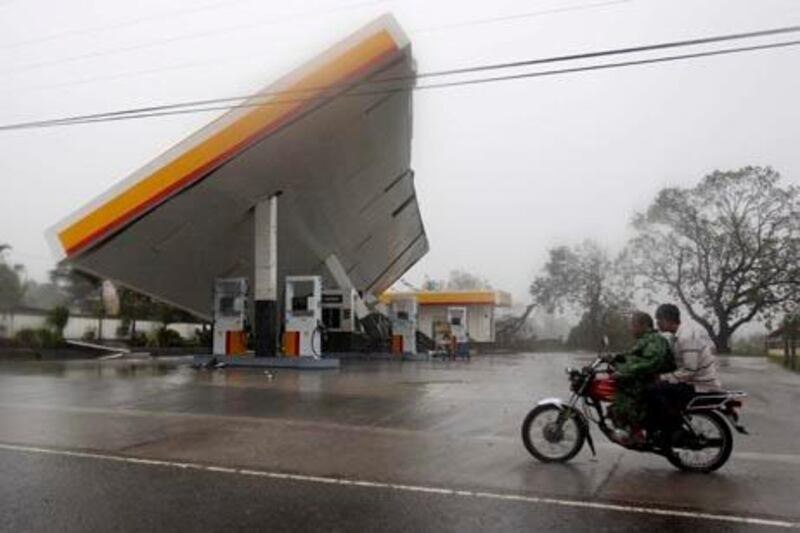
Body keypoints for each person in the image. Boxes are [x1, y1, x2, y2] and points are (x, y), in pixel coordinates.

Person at [645, 304, 722, 444]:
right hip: (695, 380)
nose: (657, 324)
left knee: (652, 390)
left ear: (667, 319)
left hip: (700, 384)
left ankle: (673, 429)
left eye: (659, 320)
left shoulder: (686, 336)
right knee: (656, 386)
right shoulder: (680, 334)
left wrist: (663, 377)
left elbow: (689, 370)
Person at [608, 311, 675, 444]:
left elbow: (651, 362)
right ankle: (628, 428)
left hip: (653, 380)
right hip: (646, 378)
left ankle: (636, 431)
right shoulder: (644, 340)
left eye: (633, 325)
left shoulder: (654, 340)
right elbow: (632, 357)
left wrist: (624, 372)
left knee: (626, 398)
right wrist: (614, 359)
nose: (631, 328)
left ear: (644, 325)